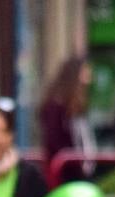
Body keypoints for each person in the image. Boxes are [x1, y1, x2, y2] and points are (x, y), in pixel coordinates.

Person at [40, 56, 96, 184]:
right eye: (85, 70)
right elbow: (54, 139)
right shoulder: (57, 105)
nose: (89, 74)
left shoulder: (76, 105)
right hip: (66, 172)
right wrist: (76, 165)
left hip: (78, 168)